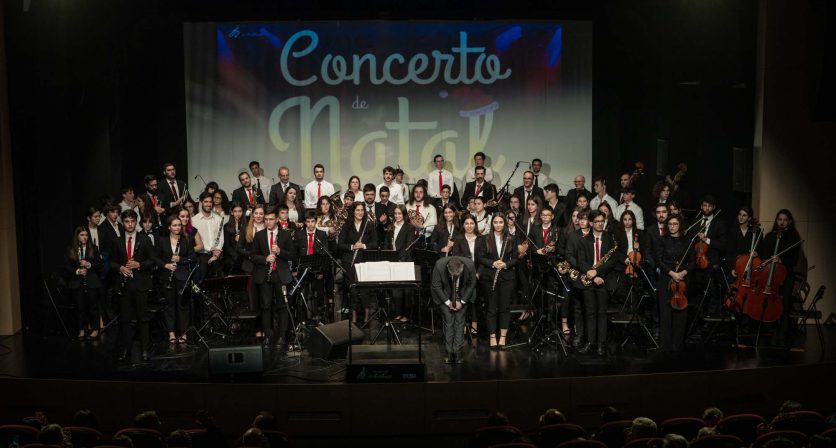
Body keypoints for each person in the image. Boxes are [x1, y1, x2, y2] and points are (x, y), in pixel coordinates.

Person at [568, 211, 617, 356]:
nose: (600, 223)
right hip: (588, 281)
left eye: (602, 221)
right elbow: (581, 261)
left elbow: (612, 261)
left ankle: (601, 344)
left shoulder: (610, 240)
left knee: (601, 313)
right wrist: (592, 274)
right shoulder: (583, 240)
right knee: (589, 313)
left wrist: (598, 273)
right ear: (591, 223)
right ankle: (590, 342)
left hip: (604, 280)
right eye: (597, 221)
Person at [110, 210, 154, 362]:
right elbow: (111, 262)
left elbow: (152, 261)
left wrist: (139, 264)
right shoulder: (117, 240)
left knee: (143, 319)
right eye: (127, 221)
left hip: (140, 283)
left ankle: (145, 350)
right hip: (124, 284)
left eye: (132, 221)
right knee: (125, 320)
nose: (130, 224)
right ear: (123, 223)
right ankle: (126, 349)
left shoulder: (145, 239)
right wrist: (120, 268)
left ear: (137, 222)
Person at [251, 207, 295, 348]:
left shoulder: (285, 235)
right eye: (266, 219)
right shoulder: (259, 235)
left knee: (283, 306)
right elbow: (253, 255)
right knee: (266, 307)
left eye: (271, 219)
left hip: (280, 275)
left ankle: (283, 336)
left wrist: (280, 251)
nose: (268, 222)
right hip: (265, 275)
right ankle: (268, 336)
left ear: (277, 219)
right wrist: (265, 258)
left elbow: (292, 254)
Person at [756, 209, 801, 346]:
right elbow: (764, 255)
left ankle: (783, 334)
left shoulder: (794, 237)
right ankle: (768, 331)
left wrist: (781, 260)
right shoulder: (770, 236)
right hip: (770, 276)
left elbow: (794, 260)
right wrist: (767, 258)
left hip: (786, 275)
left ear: (789, 221)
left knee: (784, 305)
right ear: (776, 221)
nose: (781, 222)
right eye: (779, 219)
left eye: (785, 220)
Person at [476, 214, 518, 348]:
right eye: (495, 222)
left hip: (507, 277)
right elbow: (480, 257)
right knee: (491, 308)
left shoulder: (511, 238)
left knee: (505, 308)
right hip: (489, 277)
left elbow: (516, 258)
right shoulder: (484, 239)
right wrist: (493, 263)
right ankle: (492, 336)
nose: (498, 224)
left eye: (501, 222)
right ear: (492, 223)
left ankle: (503, 337)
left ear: (505, 223)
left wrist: (505, 264)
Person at [654, 215, 694, 353]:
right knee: (665, 313)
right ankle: (665, 346)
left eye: (675, 224)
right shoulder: (661, 240)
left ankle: (678, 345)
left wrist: (683, 273)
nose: (672, 226)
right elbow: (659, 260)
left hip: (683, 279)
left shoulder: (687, 240)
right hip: (666, 278)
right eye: (670, 224)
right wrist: (672, 273)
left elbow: (693, 261)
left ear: (680, 225)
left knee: (681, 312)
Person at [686, 195, 727, 317]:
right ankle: (697, 317)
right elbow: (690, 242)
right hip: (696, 264)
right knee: (696, 294)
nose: (707, 208)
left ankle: (710, 318)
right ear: (701, 207)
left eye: (709, 206)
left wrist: (707, 239)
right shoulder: (696, 221)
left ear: (713, 207)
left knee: (712, 293)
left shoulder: (719, 223)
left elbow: (723, 244)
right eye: (704, 205)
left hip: (711, 264)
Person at [431, 256, 476, 364]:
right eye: (453, 275)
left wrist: (463, 302)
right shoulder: (439, 265)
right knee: (449, 321)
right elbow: (436, 286)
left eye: (458, 275)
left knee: (460, 321)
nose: (456, 277)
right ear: (447, 268)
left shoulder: (469, 264)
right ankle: (449, 352)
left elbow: (471, 284)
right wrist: (448, 302)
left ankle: (457, 352)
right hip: (445, 295)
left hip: (462, 294)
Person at [339, 202, 378, 322]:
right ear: (353, 212)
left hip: (364, 261)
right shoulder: (347, 226)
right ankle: (354, 317)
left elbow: (375, 243)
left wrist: (364, 245)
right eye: (357, 210)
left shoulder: (369, 225)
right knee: (353, 290)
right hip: (349, 261)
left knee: (365, 290)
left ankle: (367, 317)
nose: (360, 212)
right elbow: (340, 244)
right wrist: (352, 247)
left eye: (362, 210)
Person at [65, 226, 103, 341]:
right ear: (77, 236)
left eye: (86, 235)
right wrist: (77, 271)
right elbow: (66, 266)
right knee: (80, 307)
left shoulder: (93, 248)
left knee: (93, 306)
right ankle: (81, 329)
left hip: (91, 281)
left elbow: (99, 265)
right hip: (77, 282)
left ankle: (96, 329)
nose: (85, 237)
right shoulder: (70, 249)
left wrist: (89, 265)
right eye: (82, 235)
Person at [385, 205, 417, 322]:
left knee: (406, 291)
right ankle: (398, 313)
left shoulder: (409, 228)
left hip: (405, 262)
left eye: (400, 213)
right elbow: (387, 245)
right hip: (393, 262)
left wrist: (400, 260)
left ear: (404, 215)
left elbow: (408, 247)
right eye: (395, 214)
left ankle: (407, 315)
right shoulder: (390, 227)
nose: (397, 216)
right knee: (395, 290)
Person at [192, 192, 225, 279]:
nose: (208, 204)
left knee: (220, 278)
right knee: (202, 278)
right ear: (201, 202)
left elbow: (221, 238)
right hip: (202, 255)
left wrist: (216, 254)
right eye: (206, 202)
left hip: (217, 254)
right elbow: (194, 241)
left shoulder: (218, 218)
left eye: (210, 202)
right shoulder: (194, 220)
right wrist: (210, 250)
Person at [728, 206, 758, 276]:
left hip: (751, 266)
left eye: (744, 215)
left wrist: (757, 253)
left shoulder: (757, 231)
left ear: (749, 218)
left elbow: (761, 250)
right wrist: (731, 268)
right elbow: (729, 252)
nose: (741, 217)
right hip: (736, 265)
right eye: (740, 214)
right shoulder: (732, 231)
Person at [223, 202, 246, 275]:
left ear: (243, 212)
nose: (238, 214)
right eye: (235, 211)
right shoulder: (226, 226)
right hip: (232, 256)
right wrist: (236, 256)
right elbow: (227, 245)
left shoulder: (247, 225)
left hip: (244, 255)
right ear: (232, 212)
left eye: (240, 211)